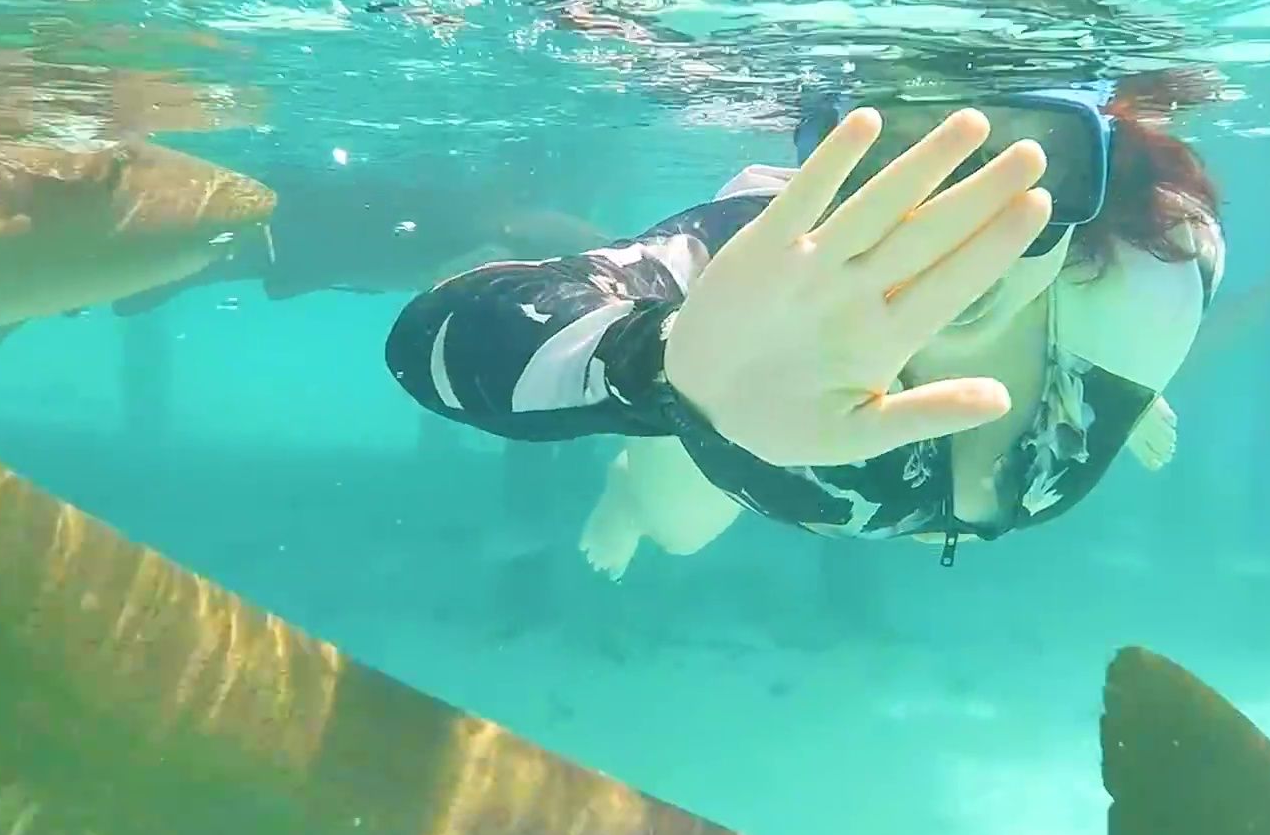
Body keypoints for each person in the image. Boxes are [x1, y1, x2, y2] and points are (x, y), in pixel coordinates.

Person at [384, 75, 1226, 578]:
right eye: (891, 170)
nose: (964, 241)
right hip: (736, 434)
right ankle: (631, 486)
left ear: (1093, 184)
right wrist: (674, 365)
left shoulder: (1163, 264)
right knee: (677, 531)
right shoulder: (752, 264)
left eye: (1030, 170)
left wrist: (1121, 391)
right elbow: (433, 337)